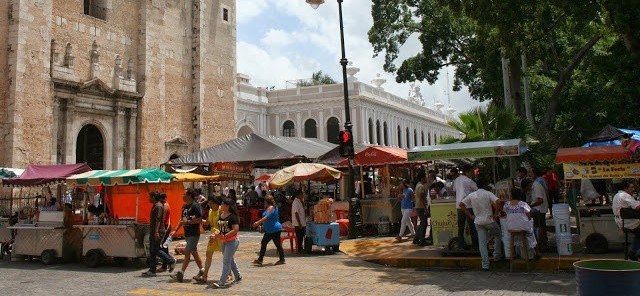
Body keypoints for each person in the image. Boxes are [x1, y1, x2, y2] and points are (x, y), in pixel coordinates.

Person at [459, 178, 503, 270]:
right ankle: (496, 256)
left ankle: (485, 264)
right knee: (498, 235)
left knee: (482, 243)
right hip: (489, 220)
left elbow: (461, 205)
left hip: (478, 221)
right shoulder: (488, 193)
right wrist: (495, 214)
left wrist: (471, 216)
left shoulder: (472, 195)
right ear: (486, 185)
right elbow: (499, 202)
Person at [170, 188, 205, 282]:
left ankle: (181, 273)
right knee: (194, 252)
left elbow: (199, 219)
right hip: (188, 233)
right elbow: (182, 220)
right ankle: (202, 270)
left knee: (187, 252)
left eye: (184, 194)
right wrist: (175, 230)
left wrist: (189, 222)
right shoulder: (184, 207)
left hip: (194, 234)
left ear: (189, 195)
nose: (183, 196)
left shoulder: (195, 206)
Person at [210, 198, 242, 289]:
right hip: (223, 241)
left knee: (226, 261)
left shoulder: (233, 216)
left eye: (223, 204)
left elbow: (235, 229)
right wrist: (215, 235)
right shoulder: (222, 215)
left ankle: (222, 281)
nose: (221, 206)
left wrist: (225, 236)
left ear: (227, 206)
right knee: (230, 259)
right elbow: (220, 229)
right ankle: (238, 275)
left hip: (232, 241)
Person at [142, 191, 175, 276]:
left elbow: (158, 219)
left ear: (153, 197)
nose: (148, 198)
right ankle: (152, 269)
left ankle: (170, 261)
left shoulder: (159, 206)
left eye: (150, 197)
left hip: (158, 231)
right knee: (152, 250)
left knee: (156, 250)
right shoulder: (156, 206)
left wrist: (156, 231)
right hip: (153, 230)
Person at [504, 187, 539, 260]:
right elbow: (529, 216)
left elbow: (506, 213)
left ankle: (515, 253)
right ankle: (536, 251)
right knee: (532, 228)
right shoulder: (523, 204)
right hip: (523, 227)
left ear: (511, 195)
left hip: (510, 227)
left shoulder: (506, 204)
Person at [252, 195, 286, 265]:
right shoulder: (268, 207)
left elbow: (267, 217)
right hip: (270, 230)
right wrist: (262, 225)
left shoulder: (271, 208)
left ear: (266, 201)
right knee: (266, 243)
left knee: (276, 244)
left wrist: (258, 222)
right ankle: (260, 260)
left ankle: (282, 259)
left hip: (274, 229)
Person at [195, 196, 222, 283]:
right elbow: (208, 222)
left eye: (211, 203)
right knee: (208, 254)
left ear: (216, 203)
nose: (209, 205)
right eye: (209, 204)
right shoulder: (210, 211)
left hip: (221, 235)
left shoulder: (221, 210)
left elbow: (224, 225)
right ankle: (205, 276)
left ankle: (230, 274)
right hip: (212, 236)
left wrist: (217, 233)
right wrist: (198, 220)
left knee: (226, 256)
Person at [612, 180, 640, 260]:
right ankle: (637, 253)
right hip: (629, 222)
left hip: (622, 222)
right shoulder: (624, 195)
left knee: (638, 235)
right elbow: (638, 207)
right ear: (625, 188)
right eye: (631, 187)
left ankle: (632, 251)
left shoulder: (617, 195)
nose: (633, 189)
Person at [455, 164, 479, 250]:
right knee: (472, 226)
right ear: (467, 172)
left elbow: (454, 192)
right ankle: (475, 246)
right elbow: (477, 191)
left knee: (460, 227)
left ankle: (461, 245)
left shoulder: (456, 180)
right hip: (469, 206)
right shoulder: (469, 181)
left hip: (459, 206)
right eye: (471, 172)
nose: (472, 174)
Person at [530, 168, 549, 247]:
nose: (529, 175)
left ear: (534, 174)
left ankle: (538, 242)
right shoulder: (542, 181)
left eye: (530, 173)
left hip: (539, 208)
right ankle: (543, 242)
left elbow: (540, 200)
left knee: (538, 225)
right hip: (542, 208)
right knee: (542, 225)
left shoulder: (537, 183)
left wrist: (530, 205)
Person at [158, 192, 175, 273]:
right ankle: (167, 263)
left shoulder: (165, 205)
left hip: (165, 227)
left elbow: (163, 218)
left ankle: (169, 262)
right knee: (164, 246)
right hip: (166, 227)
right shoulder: (165, 205)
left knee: (162, 246)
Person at [412, 172, 428, 246]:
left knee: (422, 223)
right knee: (424, 223)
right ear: (422, 179)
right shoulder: (421, 186)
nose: (426, 179)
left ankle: (416, 237)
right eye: (425, 177)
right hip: (421, 207)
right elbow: (422, 198)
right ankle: (422, 239)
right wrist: (425, 208)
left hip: (418, 206)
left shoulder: (418, 185)